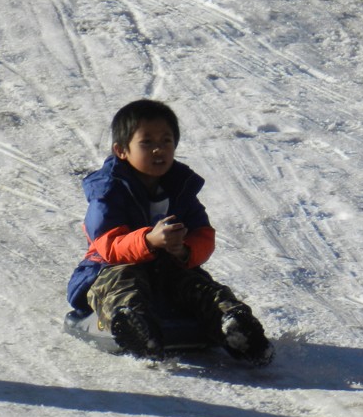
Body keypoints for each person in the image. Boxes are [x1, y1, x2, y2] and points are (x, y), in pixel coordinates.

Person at [67, 99, 272, 364]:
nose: (158, 149)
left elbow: (203, 233)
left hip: (167, 268)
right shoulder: (108, 192)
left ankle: (233, 324)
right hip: (110, 268)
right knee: (122, 281)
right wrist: (148, 241)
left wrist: (185, 250)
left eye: (166, 141)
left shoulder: (180, 188)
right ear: (121, 150)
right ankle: (134, 325)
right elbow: (108, 245)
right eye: (147, 142)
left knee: (198, 284)